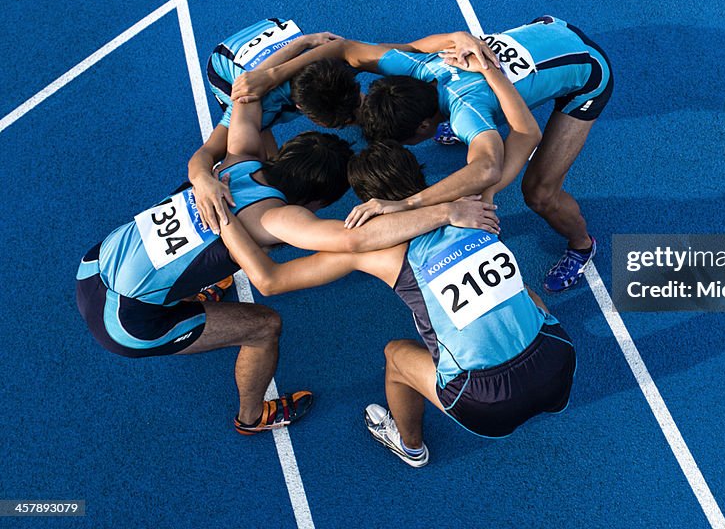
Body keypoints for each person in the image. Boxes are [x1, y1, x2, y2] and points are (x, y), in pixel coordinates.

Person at [76, 88, 499, 435]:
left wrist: (284, 70)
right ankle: (252, 416)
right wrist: (446, 212)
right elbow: (357, 239)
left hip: (95, 263)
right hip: (125, 323)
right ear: (317, 201)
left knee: (215, 257)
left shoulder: (239, 158)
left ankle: (189, 291)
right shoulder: (278, 217)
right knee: (264, 327)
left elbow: (245, 96)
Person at [219, 140, 576, 466]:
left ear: (368, 205)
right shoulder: (474, 205)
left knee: (395, 354)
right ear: (419, 173)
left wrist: (222, 216)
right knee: (525, 292)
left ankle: (410, 447)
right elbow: (522, 136)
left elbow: (271, 279)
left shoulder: (374, 252)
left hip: (486, 404)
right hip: (559, 365)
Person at [232, 16, 613, 292]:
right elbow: (345, 49)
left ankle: (582, 246)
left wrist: (408, 204)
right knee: (483, 140)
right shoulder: (416, 65)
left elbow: (488, 166)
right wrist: (273, 74)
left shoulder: (468, 107)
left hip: (587, 71)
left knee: (539, 193)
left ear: (423, 128)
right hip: (546, 31)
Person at [188, 17, 361, 233]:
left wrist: (306, 42)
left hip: (273, 30)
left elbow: (339, 49)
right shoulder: (250, 99)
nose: (344, 125)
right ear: (301, 109)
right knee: (254, 144)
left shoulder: (331, 72)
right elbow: (206, 153)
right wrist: (202, 178)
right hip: (224, 61)